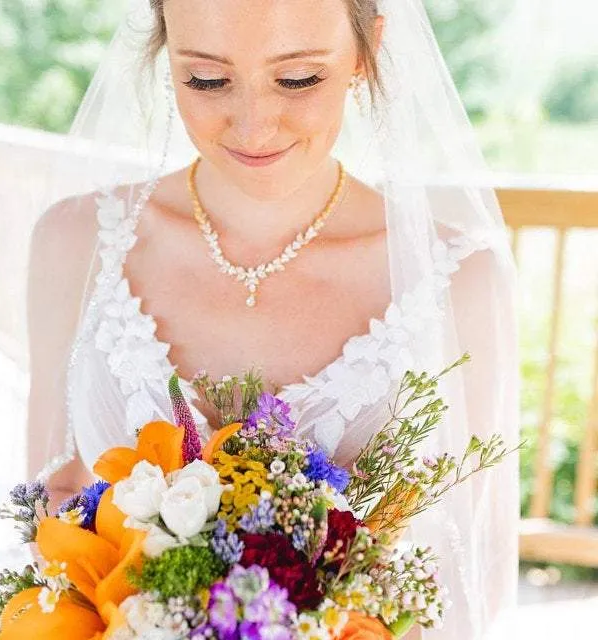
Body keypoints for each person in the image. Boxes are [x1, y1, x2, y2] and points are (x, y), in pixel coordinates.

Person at [26, 1, 520, 638]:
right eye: (206, 80)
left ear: (366, 50)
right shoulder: (75, 241)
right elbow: (49, 508)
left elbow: (471, 571)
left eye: (298, 79)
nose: (254, 125)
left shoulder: (461, 279)